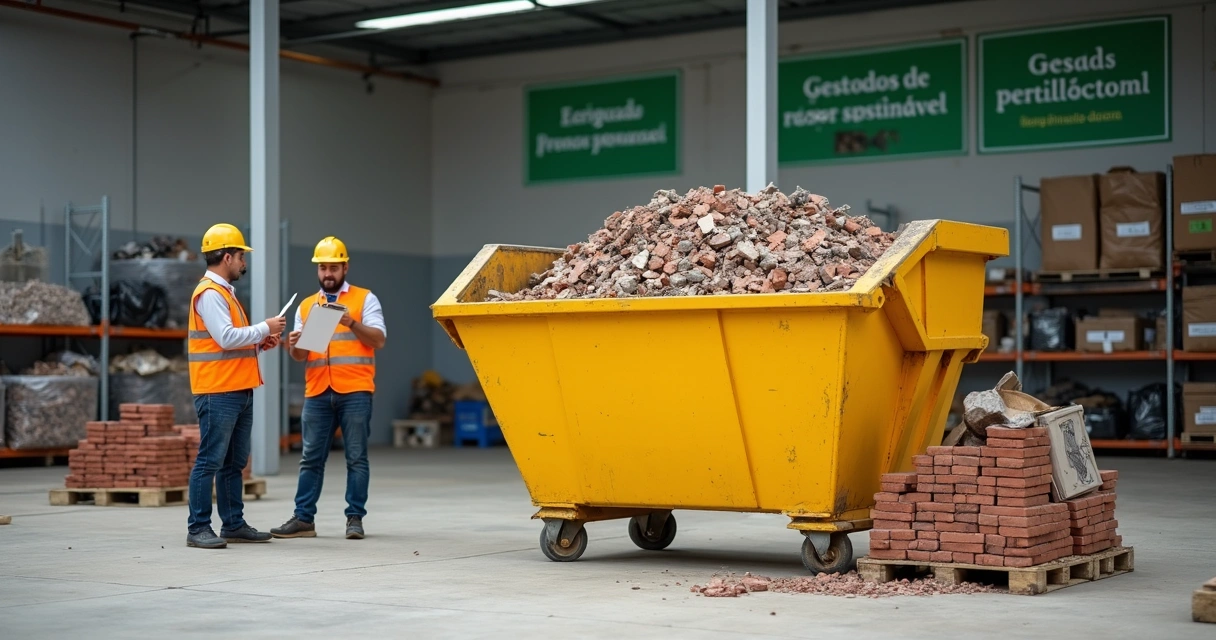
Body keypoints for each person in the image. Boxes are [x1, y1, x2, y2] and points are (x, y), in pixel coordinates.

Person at [272, 236, 386, 540]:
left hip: (355, 390)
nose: (327, 274)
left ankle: (354, 519)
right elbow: (300, 356)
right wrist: (292, 345)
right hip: (318, 392)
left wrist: (352, 323)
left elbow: (378, 339)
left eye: (333, 267)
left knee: (356, 457)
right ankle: (303, 519)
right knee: (310, 458)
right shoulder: (308, 305)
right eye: (322, 268)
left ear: (345, 267)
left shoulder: (365, 300)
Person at [185, 223, 287, 549]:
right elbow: (225, 337)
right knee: (210, 460)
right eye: (241, 257)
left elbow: (229, 344)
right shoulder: (210, 294)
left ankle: (233, 524)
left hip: (237, 390)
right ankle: (198, 527)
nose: (244, 263)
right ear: (228, 257)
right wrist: (264, 327)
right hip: (218, 392)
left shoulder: (224, 294)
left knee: (234, 463)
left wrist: (260, 343)